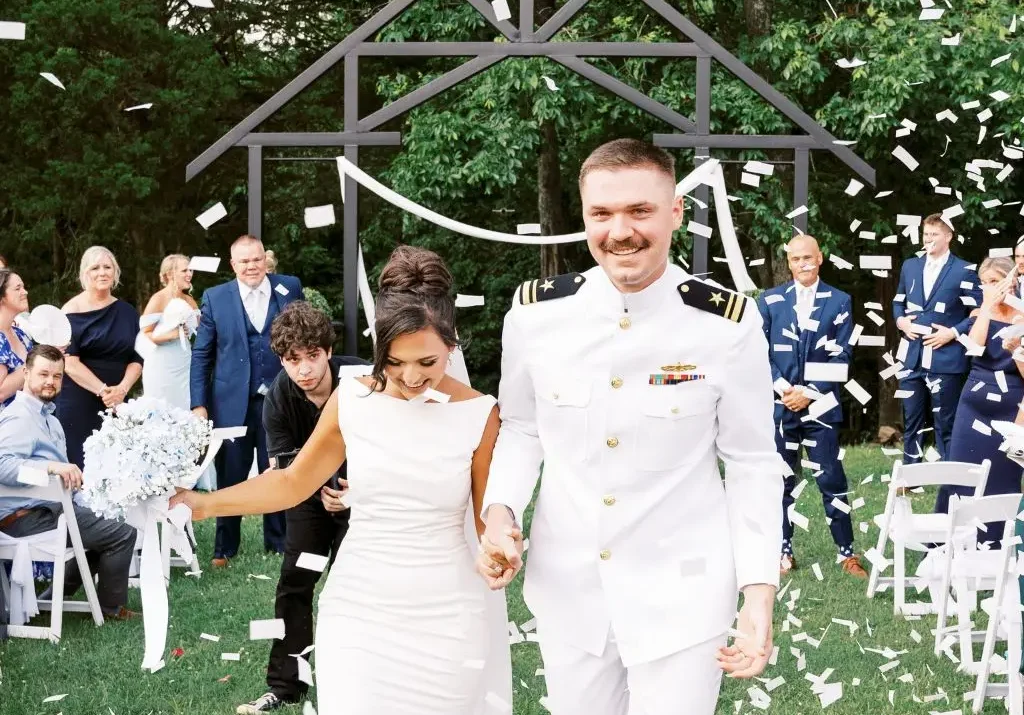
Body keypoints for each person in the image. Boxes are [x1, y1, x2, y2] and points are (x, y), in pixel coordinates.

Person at [476, 139, 785, 715]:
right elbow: (522, 428)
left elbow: (752, 463)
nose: (621, 231)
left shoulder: (726, 325)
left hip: (683, 592)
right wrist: (500, 513)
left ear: (675, 213)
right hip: (568, 589)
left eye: (640, 210)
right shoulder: (534, 316)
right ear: (585, 217)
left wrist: (758, 592)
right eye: (602, 214)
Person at [173, 245, 512, 715]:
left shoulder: (480, 414)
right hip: (359, 605)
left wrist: (498, 543)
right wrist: (198, 502)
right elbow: (291, 483)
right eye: (394, 363)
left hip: (447, 610)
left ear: (451, 349)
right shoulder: (351, 399)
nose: (411, 377)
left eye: (427, 363)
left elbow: (485, 518)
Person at [238, 302, 369, 714]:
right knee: (295, 583)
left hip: (368, 496)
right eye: (293, 360)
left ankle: (364, 679)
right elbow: (285, 470)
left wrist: (359, 488)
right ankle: (286, 686)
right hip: (309, 501)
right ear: (282, 360)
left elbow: (398, 445)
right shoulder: (278, 397)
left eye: (312, 356)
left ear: (328, 351)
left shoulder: (364, 379)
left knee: (357, 587)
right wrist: (322, 493)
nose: (305, 369)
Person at [0, 345, 137, 620]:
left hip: (50, 509)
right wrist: (51, 467)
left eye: (57, 376)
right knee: (122, 534)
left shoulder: (48, 418)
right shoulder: (19, 417)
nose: (50, 381)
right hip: (24, 517)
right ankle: (111, 610)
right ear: (26, 373)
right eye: (43, 374)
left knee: (107, 528)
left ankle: (50, 600)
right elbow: (2, 466)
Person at [755, 235, 866, 577]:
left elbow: (843, 354)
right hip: (780, 405)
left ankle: (846, 554)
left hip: (821, 408)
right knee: (782, 482)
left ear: (820, 258)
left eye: (808, 257)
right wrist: (784, 388)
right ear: (788, 262)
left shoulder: (840, 300)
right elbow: (757, 350)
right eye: (795, 259)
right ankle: (782, 552)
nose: (802, 263)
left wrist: (811, 391)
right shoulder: (770, 300)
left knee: (831, 478)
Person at [189, 235, 303, 566]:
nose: (251, 266)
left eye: (256, 259)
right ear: (233, 264)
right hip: (232, 402)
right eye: (244, 261)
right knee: (231, 474)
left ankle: (279, 541)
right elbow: (202, 354)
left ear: (265, 260)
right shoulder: (216, 297)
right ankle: (225, 547)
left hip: (281, 398)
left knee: (280, 468)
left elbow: (305, 333)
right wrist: (199, 404)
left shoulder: (289, 287)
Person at [936, 257, 1024, 541]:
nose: (989, 287)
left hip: (1011, 407)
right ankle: (949, 544)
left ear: (1010, 280)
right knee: (961, 472)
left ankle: (997, 545)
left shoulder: (1022, 316)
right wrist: (986, 307)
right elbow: (973, 349)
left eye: (994, 281)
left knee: (1003, 477)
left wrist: (1015, 349)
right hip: (973, 405)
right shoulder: (979, 313)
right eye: (984, 283)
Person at [892, 215, 981, 464]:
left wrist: (952, 333)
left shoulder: (965, 269)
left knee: (946, 421)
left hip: (946, 355)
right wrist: (901, 322)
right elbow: (898, 300)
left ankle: (949, 476)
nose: (928, 239)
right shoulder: (910, 266)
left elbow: (978, 312)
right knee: (911, 418)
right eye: (926, 234)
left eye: (934, 234)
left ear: (949, 236)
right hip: (911, 356)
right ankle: (910, 475)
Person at [56, 247, 144, 468]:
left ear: (116, 272)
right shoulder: (70, 311)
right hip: (79, 399)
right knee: (82, 467)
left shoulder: (127, 312)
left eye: (108, 267)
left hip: (118, 400)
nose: (102, 272)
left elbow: (138, 356)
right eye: (95, 268)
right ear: (85, 273)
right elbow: (70, 362)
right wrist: (104, 391)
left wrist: (121, 390)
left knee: (115, 466)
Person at [140, 255, 214, 491]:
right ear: (170, 273)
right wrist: (173, 334)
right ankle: (160, 476)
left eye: (190, 271)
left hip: (185, 362)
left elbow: (201, 329)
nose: (189, 275)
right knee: (162, 415)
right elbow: (145, 335)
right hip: (162, 365)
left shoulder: (189, 299)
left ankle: (188, 475)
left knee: (186, 412)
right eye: (184, 271)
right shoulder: (158, 299)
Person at [0, 270, 33, 408]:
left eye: (24, 287)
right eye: (18, 288)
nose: (25, 292)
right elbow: (1, 392)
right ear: (2, 297)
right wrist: (37, 363)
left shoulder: (21, 335)